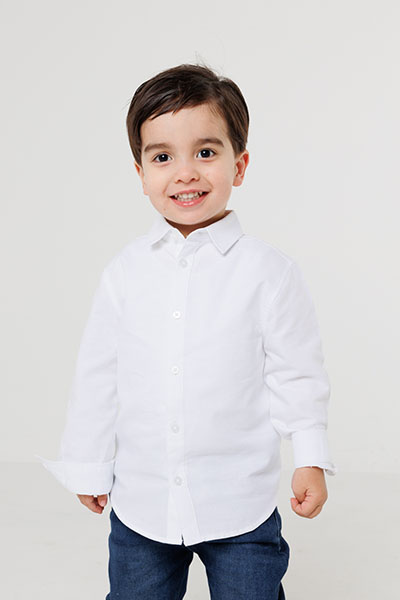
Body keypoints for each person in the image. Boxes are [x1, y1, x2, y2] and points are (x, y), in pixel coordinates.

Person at [35, 62, 337, 599]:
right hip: (144, 505)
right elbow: (99, 376)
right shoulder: (125, 273)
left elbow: (297, 373)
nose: (185, 173)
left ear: (239, 165)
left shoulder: (269, 273)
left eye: (206, 152)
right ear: (140, 174)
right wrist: (88, 464)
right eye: (162, 157)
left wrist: (309, 457)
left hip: (239, 505)